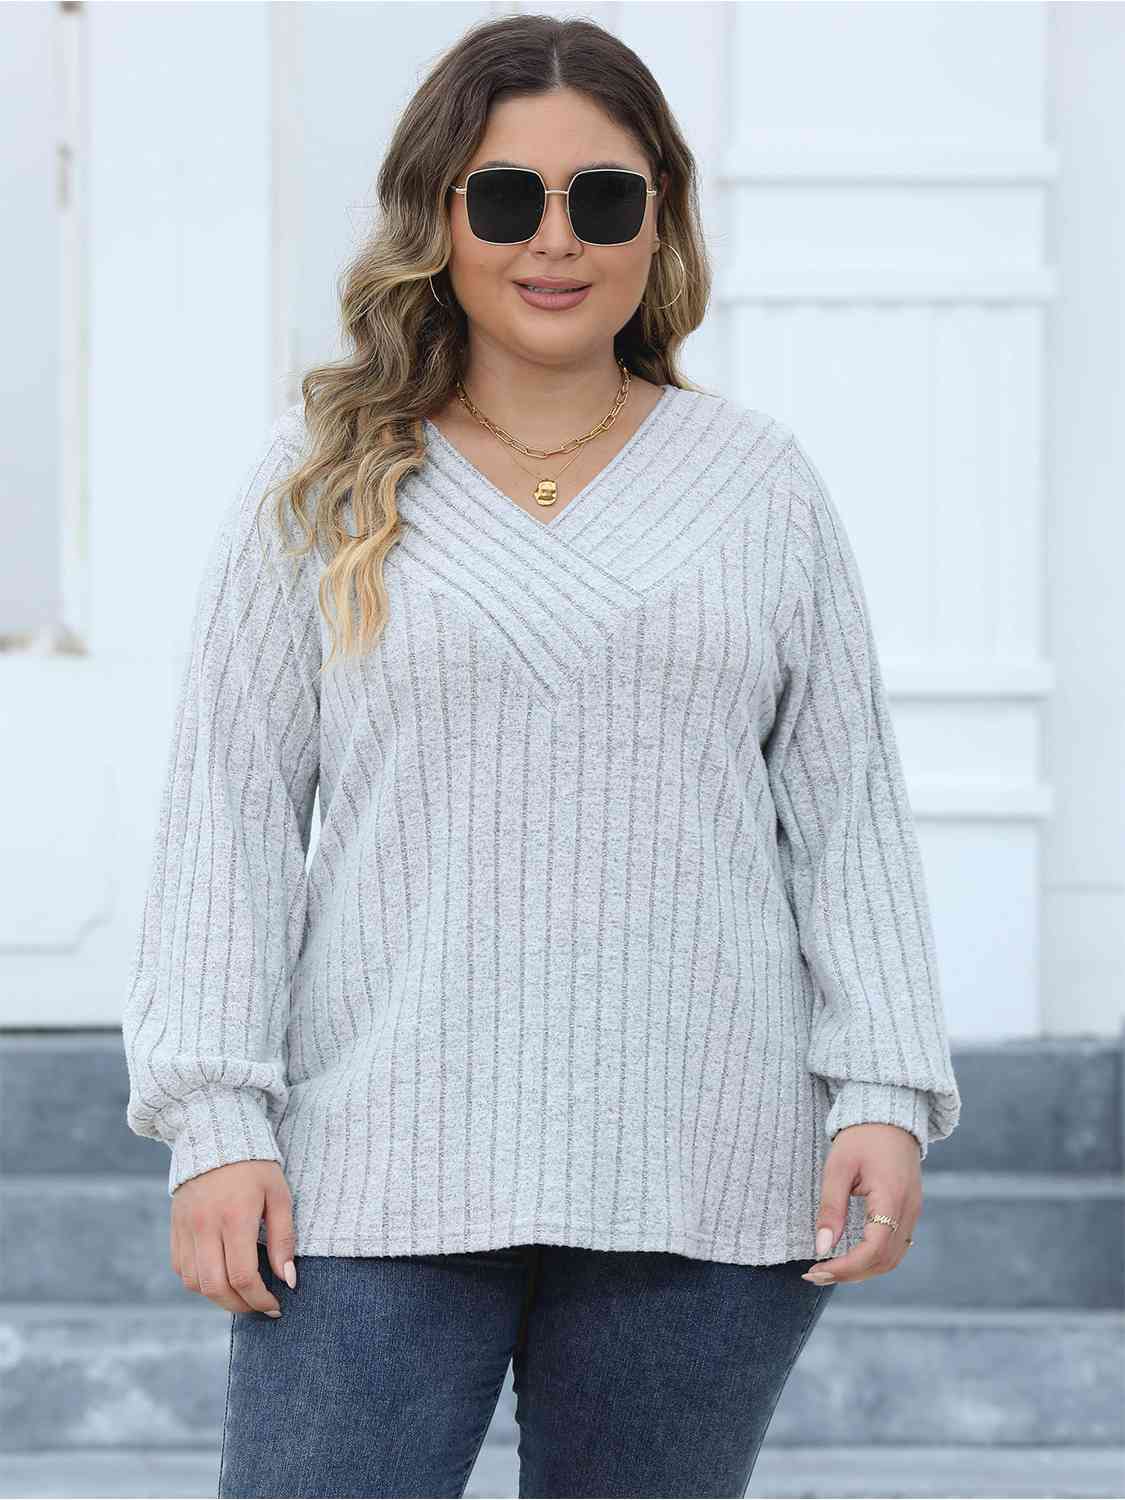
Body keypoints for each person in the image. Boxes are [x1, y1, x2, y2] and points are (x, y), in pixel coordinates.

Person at [121, 13, 961, 1498]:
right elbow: (226, 819)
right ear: (437, 216)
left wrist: (883, 1090)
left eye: (603, 197)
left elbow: (849, 820)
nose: (554, 239)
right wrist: (213, 1122)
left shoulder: (758, 488)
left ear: (659, 219)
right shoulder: (320, 486)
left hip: (699, 1169)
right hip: (373, 1170)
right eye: (507, 197)